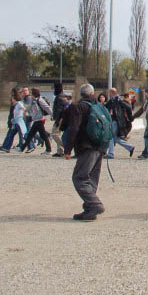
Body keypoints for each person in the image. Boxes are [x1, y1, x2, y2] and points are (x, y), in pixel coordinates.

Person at [63, 84, 107, 221]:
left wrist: (68, 149)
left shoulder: (80, 107)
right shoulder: (100, 106)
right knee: (92, 178)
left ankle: (95, 205)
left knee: (80, 177)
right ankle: (90, 210)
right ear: (93, 93)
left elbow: (74, 128)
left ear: (81, 94)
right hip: (100, 146)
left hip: (86, 146)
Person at [105, 89, 135, 159]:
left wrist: (120, 101)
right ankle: (130, 147)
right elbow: (106, 107)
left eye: (110, 92)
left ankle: (110, 154)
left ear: (112, 93)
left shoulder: (118, 100)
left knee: (111, 137)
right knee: (115, 138)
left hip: (116, 121)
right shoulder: (112, 100)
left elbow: (128, 107)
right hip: (112, 120)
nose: (109, 94)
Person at [22, 88, 52, 153]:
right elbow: (29, 106)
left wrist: (52, 115)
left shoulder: (40, 100)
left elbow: (47, 107)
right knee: (42, 135)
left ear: (34, 94)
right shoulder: (34, 100)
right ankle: (48, 149)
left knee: (30, 134)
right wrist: (25, 111)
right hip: (36, 120)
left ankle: (22, 148)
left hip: (40, 119)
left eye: (32, 93)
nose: (31, 95)